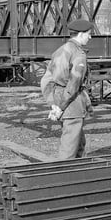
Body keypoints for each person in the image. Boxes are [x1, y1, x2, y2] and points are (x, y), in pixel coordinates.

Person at [40, 19, 94, 159]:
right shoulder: (78, 54)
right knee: (70, 143)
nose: (90, 37)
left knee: (78, 141)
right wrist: (61, 107)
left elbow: (46, 80)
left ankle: (82, 172)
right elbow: (74, 83)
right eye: (88, 34)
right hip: (72, 102)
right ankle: (64, 174)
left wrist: (53, 104)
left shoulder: (60, 50)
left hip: (60, 97)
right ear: (81, 34)